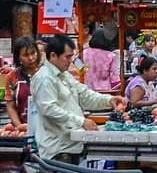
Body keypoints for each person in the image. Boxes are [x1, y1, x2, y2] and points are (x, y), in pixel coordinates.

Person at [31, 35, 124, 163]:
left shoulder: (65, 75)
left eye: (71, 57)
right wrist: (81, 122)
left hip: (72, 145)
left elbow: (84, 95)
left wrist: (109, 100)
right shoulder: (44, 78)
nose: (70, 61)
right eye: (67, 57)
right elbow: (49, 109)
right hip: (57, 149)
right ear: (53, 55)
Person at [1, 36, 40, 129]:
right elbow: (10, 106)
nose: (31, 58)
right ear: (18, 57)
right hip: (22, 127)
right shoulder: (12, 77)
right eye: (25, 55)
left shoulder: (46, 73)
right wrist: (20, 126)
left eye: (33, 53)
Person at [83, 28, 121, 94]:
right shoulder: (111, 56)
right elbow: (115, 80)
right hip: (104, 93)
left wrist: (87, 70)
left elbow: (77, 69)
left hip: (86, 92)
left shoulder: (83, 53)